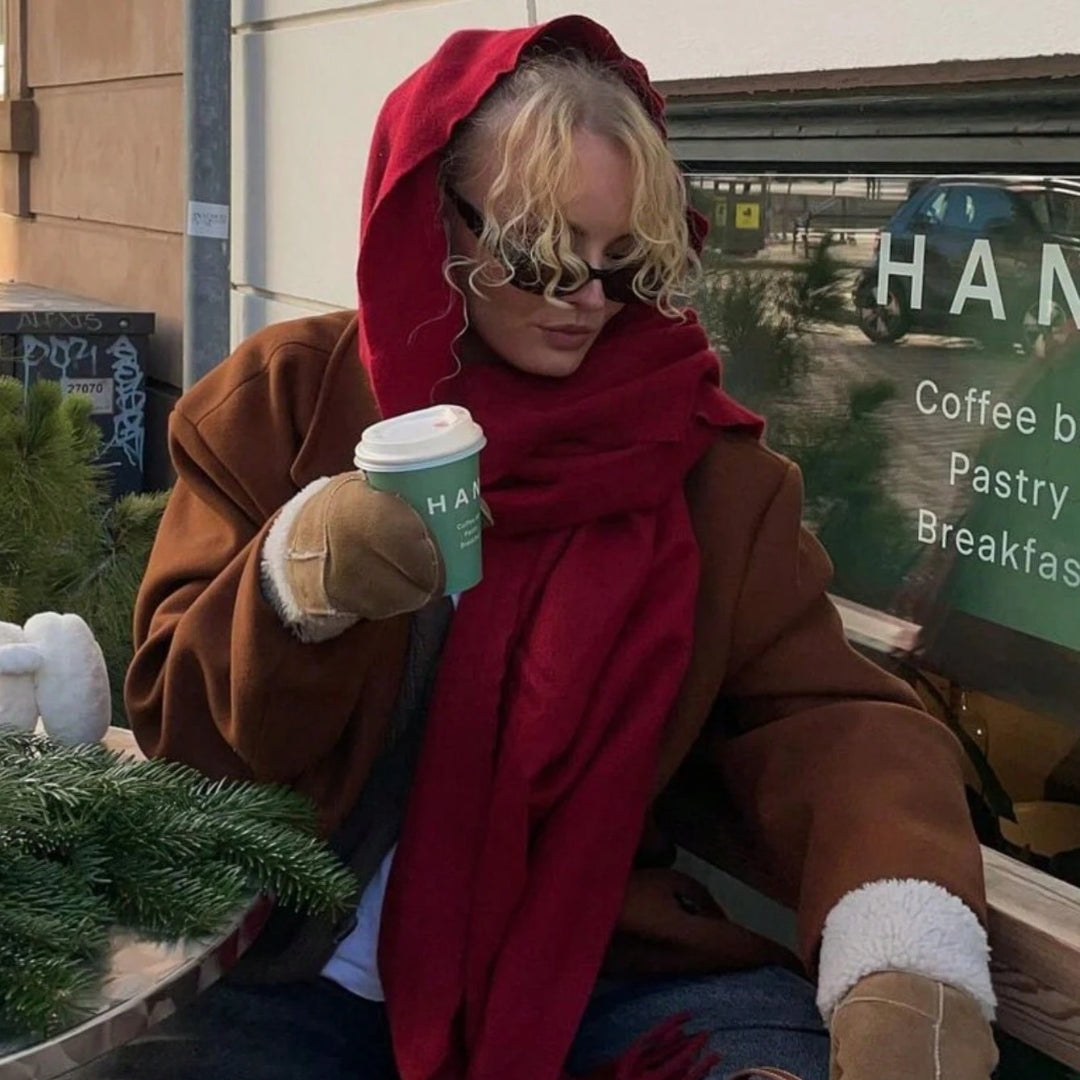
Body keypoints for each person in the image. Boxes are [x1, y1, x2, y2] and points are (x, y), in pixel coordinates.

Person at [74, 16, 998, 1080]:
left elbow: (830, 719)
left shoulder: (705, 466)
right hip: (288, 956)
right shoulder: (284, 402)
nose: (590, 301)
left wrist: (906, 955)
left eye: (624, 261)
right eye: (543, 257)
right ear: (437, 218)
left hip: (594, 960)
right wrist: (295, 583)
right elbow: (186, 742)